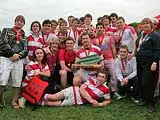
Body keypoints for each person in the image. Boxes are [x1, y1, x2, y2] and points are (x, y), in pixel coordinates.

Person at [0, 15, 28, 108]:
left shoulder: (24, 36)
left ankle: (14, 101)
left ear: (24, 24)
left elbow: (26, 49)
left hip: (18, 60)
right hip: (6, 58)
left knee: (17, 81)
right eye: (18, 21)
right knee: (2, 80)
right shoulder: (6, 30)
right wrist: (12, 54)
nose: (19, 22)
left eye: (22, 21)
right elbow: (3, 43)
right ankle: (0, 99)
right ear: (15, 22)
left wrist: (18, 55)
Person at [43, 69, 111, 107]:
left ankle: (40, 102)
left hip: (77, 100)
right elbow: (81, 89)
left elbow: (108, 100)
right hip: (73, 90)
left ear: (106, 79)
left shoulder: (106, 89)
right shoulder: (92, 80)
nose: (100, 78)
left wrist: (99, 104)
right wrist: (90, 100)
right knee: (52, 97)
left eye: (103, 77)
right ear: (97, 76)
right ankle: (39, 96)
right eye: (99, 76)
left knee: (53, 104)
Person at [135, 18, 160, 113]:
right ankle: (145, 99)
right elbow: (138, 46)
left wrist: (154, 62)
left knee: (147, 82)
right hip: (139, 61)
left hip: (149, 62)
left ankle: (151, 103)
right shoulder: (141, 34)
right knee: (141, 81)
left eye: (147, 23)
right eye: (143, 23)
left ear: (151, 25)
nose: (145, 25)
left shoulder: (155, 36)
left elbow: (157, 50)